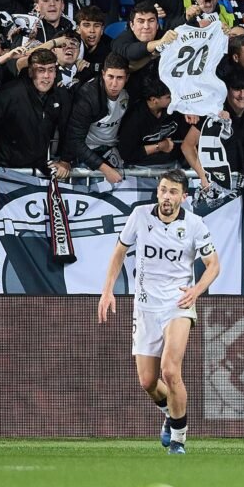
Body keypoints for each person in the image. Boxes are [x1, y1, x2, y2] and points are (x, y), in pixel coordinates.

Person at [98, 169, 221, 455]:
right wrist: (107, 290)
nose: (167, 196)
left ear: (184, 197)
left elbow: (213, 264)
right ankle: (169, 413)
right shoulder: (140, 216)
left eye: (173, 192)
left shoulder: (195, 224)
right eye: (163, 190)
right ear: (157, 192)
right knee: (148, 381)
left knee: (170, 369)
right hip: (145, 305)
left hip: (178, 304)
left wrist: (196, 290)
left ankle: (179, 438)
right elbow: (118, 252)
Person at [0, 47, 73, 176]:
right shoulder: (9, 94)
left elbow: (69, 129)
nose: (46, 76)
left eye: (51, 70)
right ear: (30, 71)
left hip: (36, 170)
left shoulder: (61, 95)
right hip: (3, 169)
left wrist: (65, 160)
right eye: (41, 70)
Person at [63, 53, 130, 184]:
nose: (114, 84)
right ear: (103, 74)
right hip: (87, 153)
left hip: (112, 150)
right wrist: (105, 169)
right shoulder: (88, 96)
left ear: (127, 78)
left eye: (120, 78)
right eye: (110, 77)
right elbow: (74, 141)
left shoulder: (129, 92)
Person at [118, 81, 187, 167]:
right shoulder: (135, 117)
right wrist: (159, 146)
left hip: (172, 164)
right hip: (141, 168)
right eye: (168, 97)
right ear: (154, 100)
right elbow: (126, 154)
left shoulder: (174, 110)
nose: (173, 99)